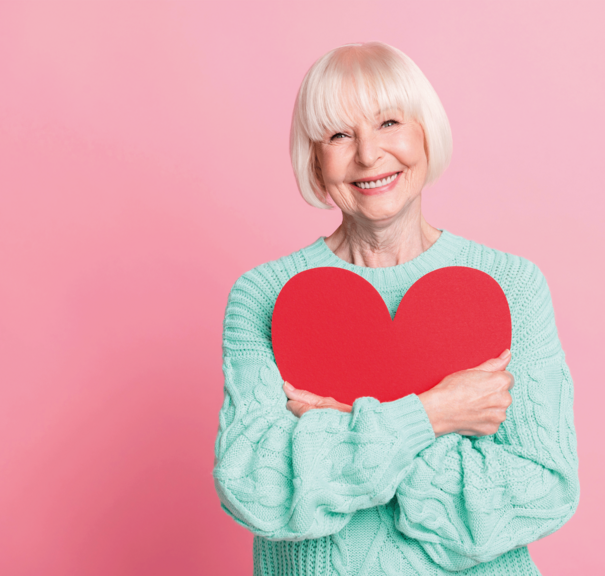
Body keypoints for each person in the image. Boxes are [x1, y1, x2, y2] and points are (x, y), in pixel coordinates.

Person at [213, 42, 579, 576]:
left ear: (425, 133)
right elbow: (256, 489)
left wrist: (344, 425)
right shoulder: (264, 295)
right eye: (339, 134)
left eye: (389, 123)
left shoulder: (512, 285)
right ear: (314, 158)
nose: (368, 155)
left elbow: (544, 489)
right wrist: (430, 415)